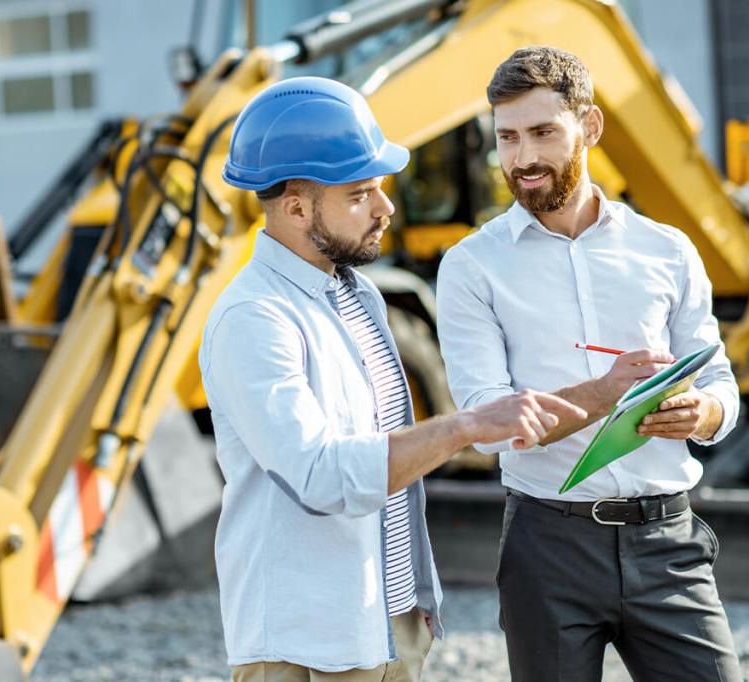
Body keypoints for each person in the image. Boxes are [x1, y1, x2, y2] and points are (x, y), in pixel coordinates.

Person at [198, 76, 586, 682]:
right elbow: (321, 476)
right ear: (296, 208)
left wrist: (414, 603)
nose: (386, 208)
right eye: (361, 194)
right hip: (307, 645)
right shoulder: (254, 319)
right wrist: (465, 426)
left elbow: (388, 461)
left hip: (386, 622)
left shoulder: (359, 297)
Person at [436, 47, 744, 681]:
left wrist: (704, 410)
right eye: (508, 137)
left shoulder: (669, 251)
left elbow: (717, 380)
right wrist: (605, 391)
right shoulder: (471, 267)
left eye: (544, 132)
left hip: (668, 544)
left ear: (590, 126)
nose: (523, 159)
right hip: (547, 546)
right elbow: (485, 421)